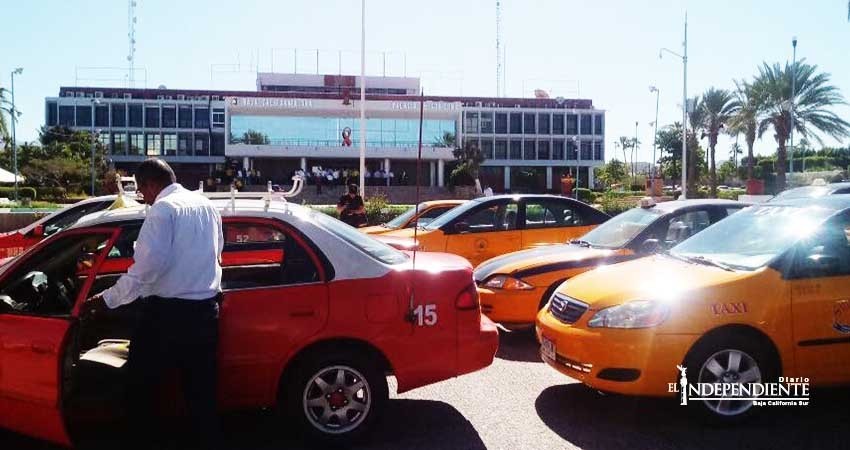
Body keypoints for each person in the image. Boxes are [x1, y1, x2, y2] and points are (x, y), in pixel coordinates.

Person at [86, 158, 223, 450]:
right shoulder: (206, 205)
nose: (143, 198)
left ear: (149, 184)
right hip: (206, 311)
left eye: (141, 190)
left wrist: (107, 300)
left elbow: (146, 269)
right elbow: (217, 253)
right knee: (200, 393)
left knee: (142, 388)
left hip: (167, 316)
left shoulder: (162, 210)